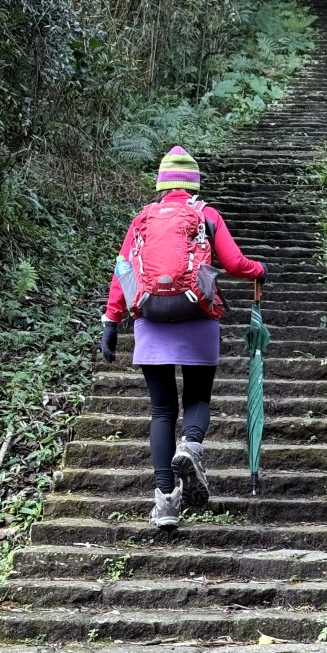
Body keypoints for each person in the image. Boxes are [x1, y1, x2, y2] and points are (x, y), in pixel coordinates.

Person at [98, 145, 267, 528]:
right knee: (197, 397)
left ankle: (165, 503)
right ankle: (190, 445)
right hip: (199, 316)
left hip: (150, 321)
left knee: (161, 411)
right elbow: (236, 263)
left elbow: (123, 270)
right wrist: (261, 269)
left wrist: (111, 321)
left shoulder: (142, 218)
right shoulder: (205, 214)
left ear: (160, 185)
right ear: (193, 183)